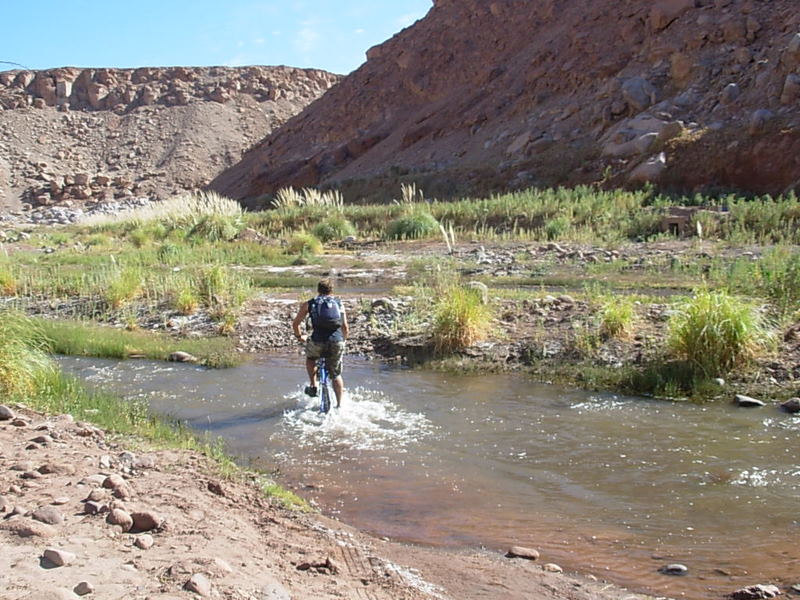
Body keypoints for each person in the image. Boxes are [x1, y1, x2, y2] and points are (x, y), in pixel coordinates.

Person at [291, 278, 349, 408]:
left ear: (318, 290)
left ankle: (314, 385)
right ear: (332, 290)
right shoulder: (339, 303)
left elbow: (295, 323)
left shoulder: (310, 303)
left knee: (311, 358)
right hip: (336, 341)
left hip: (317, 340)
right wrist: (343, 340)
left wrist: (299, 336)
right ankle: (339, 405)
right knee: (336, 374)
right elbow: (345, 327)